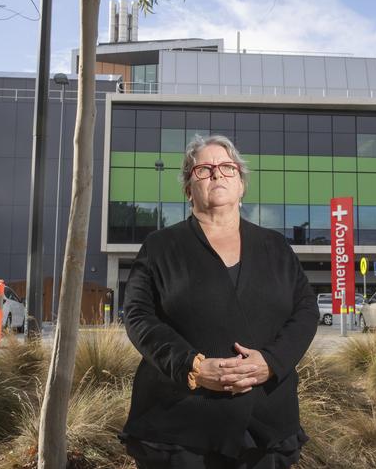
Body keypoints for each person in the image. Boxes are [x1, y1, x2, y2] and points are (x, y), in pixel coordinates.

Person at [119, 135, 319, 469]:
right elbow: (139, 317)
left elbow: (306, 309)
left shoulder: (276, 246)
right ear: (188, 188)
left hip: (265, 422)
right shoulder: (160, 246)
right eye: (204, 169)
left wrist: (271, 362)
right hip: (180, 423)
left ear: (241, 184)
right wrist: (193, 367)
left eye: (227, 167)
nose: (217, 174)